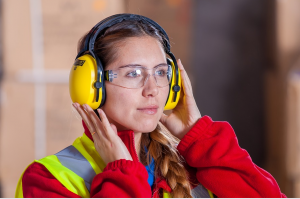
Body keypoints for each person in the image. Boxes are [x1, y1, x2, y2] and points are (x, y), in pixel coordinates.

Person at [15, 14, 285, 198]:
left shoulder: (197, 166)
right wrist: (120, 171)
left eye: (160, 72)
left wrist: (201, 136)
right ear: (91, 86)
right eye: (133, 73)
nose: (153, 89)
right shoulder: (46, 179)